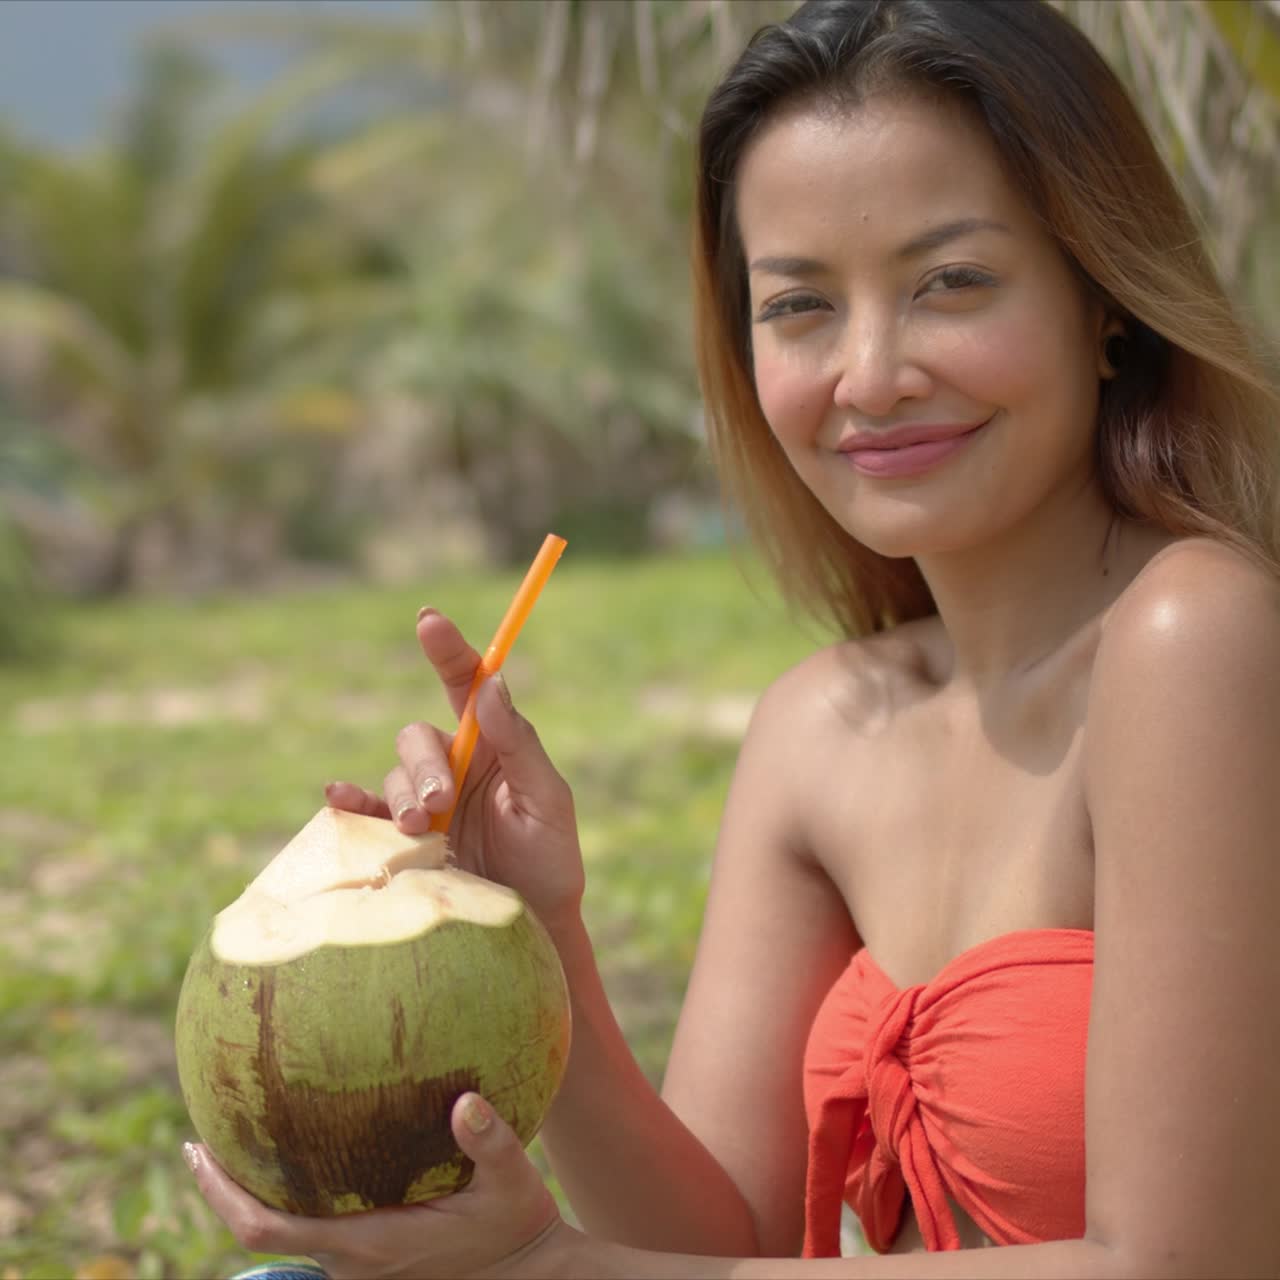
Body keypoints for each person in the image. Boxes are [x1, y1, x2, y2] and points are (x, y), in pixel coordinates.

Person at [185, 1, 1280, 1276]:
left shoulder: (1191, 634)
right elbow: (719, 1242)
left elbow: (1185, 1259)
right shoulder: (819, 726)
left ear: (1104, 301)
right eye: (800, 305)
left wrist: (547, 1261)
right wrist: (541, 935)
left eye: (950, 282)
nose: (868, 374)